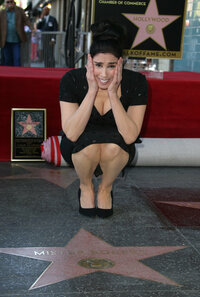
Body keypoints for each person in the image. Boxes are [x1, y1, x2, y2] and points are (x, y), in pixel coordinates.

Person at [59, 20, 148, 218]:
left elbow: (130, 136)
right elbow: (71, 133)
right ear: (89, 61)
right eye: (98, 65)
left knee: (114, 146)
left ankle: (106, 188)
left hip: (117, 146)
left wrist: (113, 95)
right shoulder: (71, 79)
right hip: (78, 146)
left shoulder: (136, 82)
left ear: (121, 62)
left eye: (112, 66)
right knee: (89, 146)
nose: (105, 74)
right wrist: (91, 91)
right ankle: (86, 186)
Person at [0, 0, 32, 66]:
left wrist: (33, 28)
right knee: (7, 60)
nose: (10, 4)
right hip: (5, 41)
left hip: (17, 40)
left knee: (17, 59)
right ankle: (8, 75)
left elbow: (26, 20)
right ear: (5, 4)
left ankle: (17, 75)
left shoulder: (20, 11)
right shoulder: (2, 13)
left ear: (14, 3)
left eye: (11, 2)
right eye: (7, 2)